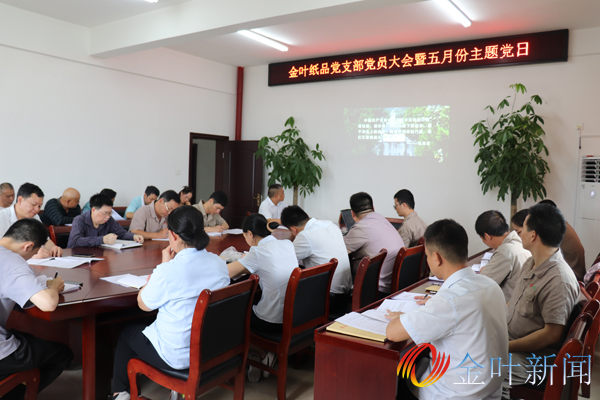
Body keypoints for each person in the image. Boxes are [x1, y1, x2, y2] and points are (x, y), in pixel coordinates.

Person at [110, 206, 230, 400]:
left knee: (126, 334)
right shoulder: (218, 263)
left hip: (178, 356)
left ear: (173, 235)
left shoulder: (169, 270)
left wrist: (163, 265)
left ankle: (120, 393)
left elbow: (143, 304)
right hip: (211, 349)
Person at [386, 219, 508, 400]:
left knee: (396, 375)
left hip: (453, 394)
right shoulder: (490, 285)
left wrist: (406, 317)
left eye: (427, 256)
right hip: (489, 390)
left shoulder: (449, 300)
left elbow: (393, 332)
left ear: (436, 257)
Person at [504, 203, 579, 397]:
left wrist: (504, 346)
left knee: (475, 367)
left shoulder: (559, 280)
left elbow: (551, 335)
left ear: (533, 235)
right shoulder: (531, 262)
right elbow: (514, 303)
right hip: (512, 342)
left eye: (522, 228)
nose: (519, 233)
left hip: (533, 359)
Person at [0, 219, 73, 400]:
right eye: (32, 254)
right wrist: (53, 288)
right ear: (28, 246)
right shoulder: (12, 261)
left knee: (26, 338)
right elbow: (48, 303)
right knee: (62, 354)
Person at [227, 213, 298, 382]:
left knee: (229, 314)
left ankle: (260, 352)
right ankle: (265, 354)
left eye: (244, 236)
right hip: (294, 315)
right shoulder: (287, 244)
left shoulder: (258, 252)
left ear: (250, 234)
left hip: (271, 321)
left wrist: (243, 261)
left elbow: (226, 272)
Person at [280, 205, 352, 312]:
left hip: (328, 298)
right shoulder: (330, 224)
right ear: (307, 215)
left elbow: (286, 261)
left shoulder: (305, 236)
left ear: (293, 229)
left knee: (283, 282)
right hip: (346, 292)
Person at [343, 192, 404, 297]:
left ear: (352, 213)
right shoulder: (382, 220)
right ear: (373, 208)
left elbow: (340, 252)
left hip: (376, 288)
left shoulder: (361, 227)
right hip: (394, 283)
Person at [475, 210, 531, 302]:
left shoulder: (505, 252)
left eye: (482, 239)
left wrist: (483, 270)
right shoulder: (519, 239)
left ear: (487, 236)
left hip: (510, 305)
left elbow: (482, 283)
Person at [0, 183, 62, 258]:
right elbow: (2, 250)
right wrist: (31, 256)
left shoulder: (34, 217)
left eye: (39, 206)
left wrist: (54, 248)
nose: (37, 210)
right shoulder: (2, 217)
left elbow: (44, 240)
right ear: (20, 200)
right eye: (33, 205)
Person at [68, 193, 144, 248]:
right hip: (77, 256)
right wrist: (102, 239)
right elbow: (77, 240)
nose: (107, 217)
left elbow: (121, 233)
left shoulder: (109, 220)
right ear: (93, 210)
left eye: (110, 213)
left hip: (98, 255)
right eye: (105, 213)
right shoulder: (79, 220)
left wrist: (134, 236)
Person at [539, 199, 586, 281]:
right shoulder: (560, 223)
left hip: (572, 277)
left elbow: (543, 255)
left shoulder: (554, 228)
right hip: (576, 274)